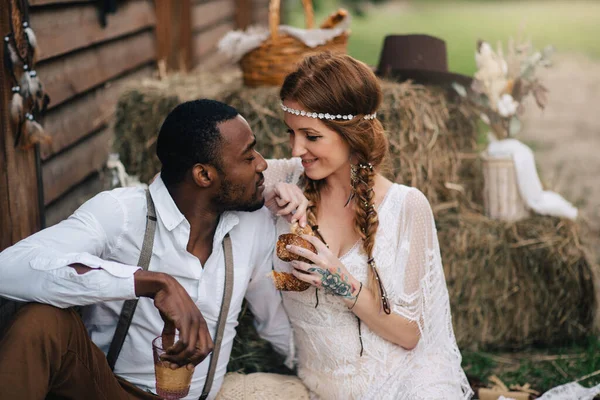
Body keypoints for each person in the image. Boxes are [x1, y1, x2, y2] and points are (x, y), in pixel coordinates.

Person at [0, 99, 306, 400]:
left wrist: (328, 376)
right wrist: (149, 283)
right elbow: (8, 269)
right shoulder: (121, 213)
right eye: (248, 155)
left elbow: (275, 322)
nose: (263, 163)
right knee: (40, 322)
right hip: (112, 390)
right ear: (203, 176)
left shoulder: (253, 227)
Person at [263, 52, 474, 399]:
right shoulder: (286, 176)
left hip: (400, 383)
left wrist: (341, 280)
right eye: (291, 133)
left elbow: (409, 335)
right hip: (318, 386)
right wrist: (270, 189)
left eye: (311, 136)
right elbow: (181, 176)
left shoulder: (407, 206)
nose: (296, 148)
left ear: (352, 134)